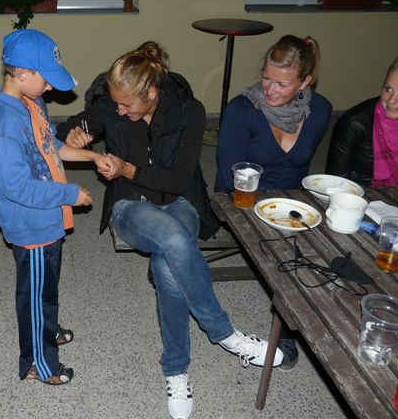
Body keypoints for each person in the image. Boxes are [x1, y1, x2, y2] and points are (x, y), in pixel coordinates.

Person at [57, 41, 282, 419]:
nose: (119, 110)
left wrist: (127, 168)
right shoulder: (113, 105)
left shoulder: (190, 112)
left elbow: (178, 180)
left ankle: (176, 371)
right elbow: (76, 123)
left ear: (152, 93)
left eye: (127, 105)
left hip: (180, 201)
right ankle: (225, 334)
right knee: (176, 241)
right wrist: (75, 132)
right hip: (131, 204)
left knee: (167, 263)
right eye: (116, 104)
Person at [0, 29, 115, 386]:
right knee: (35, 293)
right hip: (32, 226)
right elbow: (16, 187)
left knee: (45, 285)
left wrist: (92, 157)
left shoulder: (31, 103)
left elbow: (52, 145)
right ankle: (39, 363)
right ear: (22, 73)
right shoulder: (6, 126)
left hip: (46, 219)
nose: (50, 88)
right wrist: (69, 194)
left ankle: (46, 326)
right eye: (46, 80)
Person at [214, 35, 332, 371]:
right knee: (290, 252)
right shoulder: (241, 110)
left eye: (282, 84)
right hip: (240, 198)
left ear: (305, 82)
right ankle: (287, 333)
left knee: (328, 243)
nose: (269, 89)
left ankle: (322, 319)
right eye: (266, 78)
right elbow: (231, 173)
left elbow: (300, 168)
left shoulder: (320, 110)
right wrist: (275, 206)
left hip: (289, 201)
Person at [326, 52, 398, 187]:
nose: (391, 100)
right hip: (357, 196)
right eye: (388, 89)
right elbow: (334, 184)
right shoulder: (354, 122)